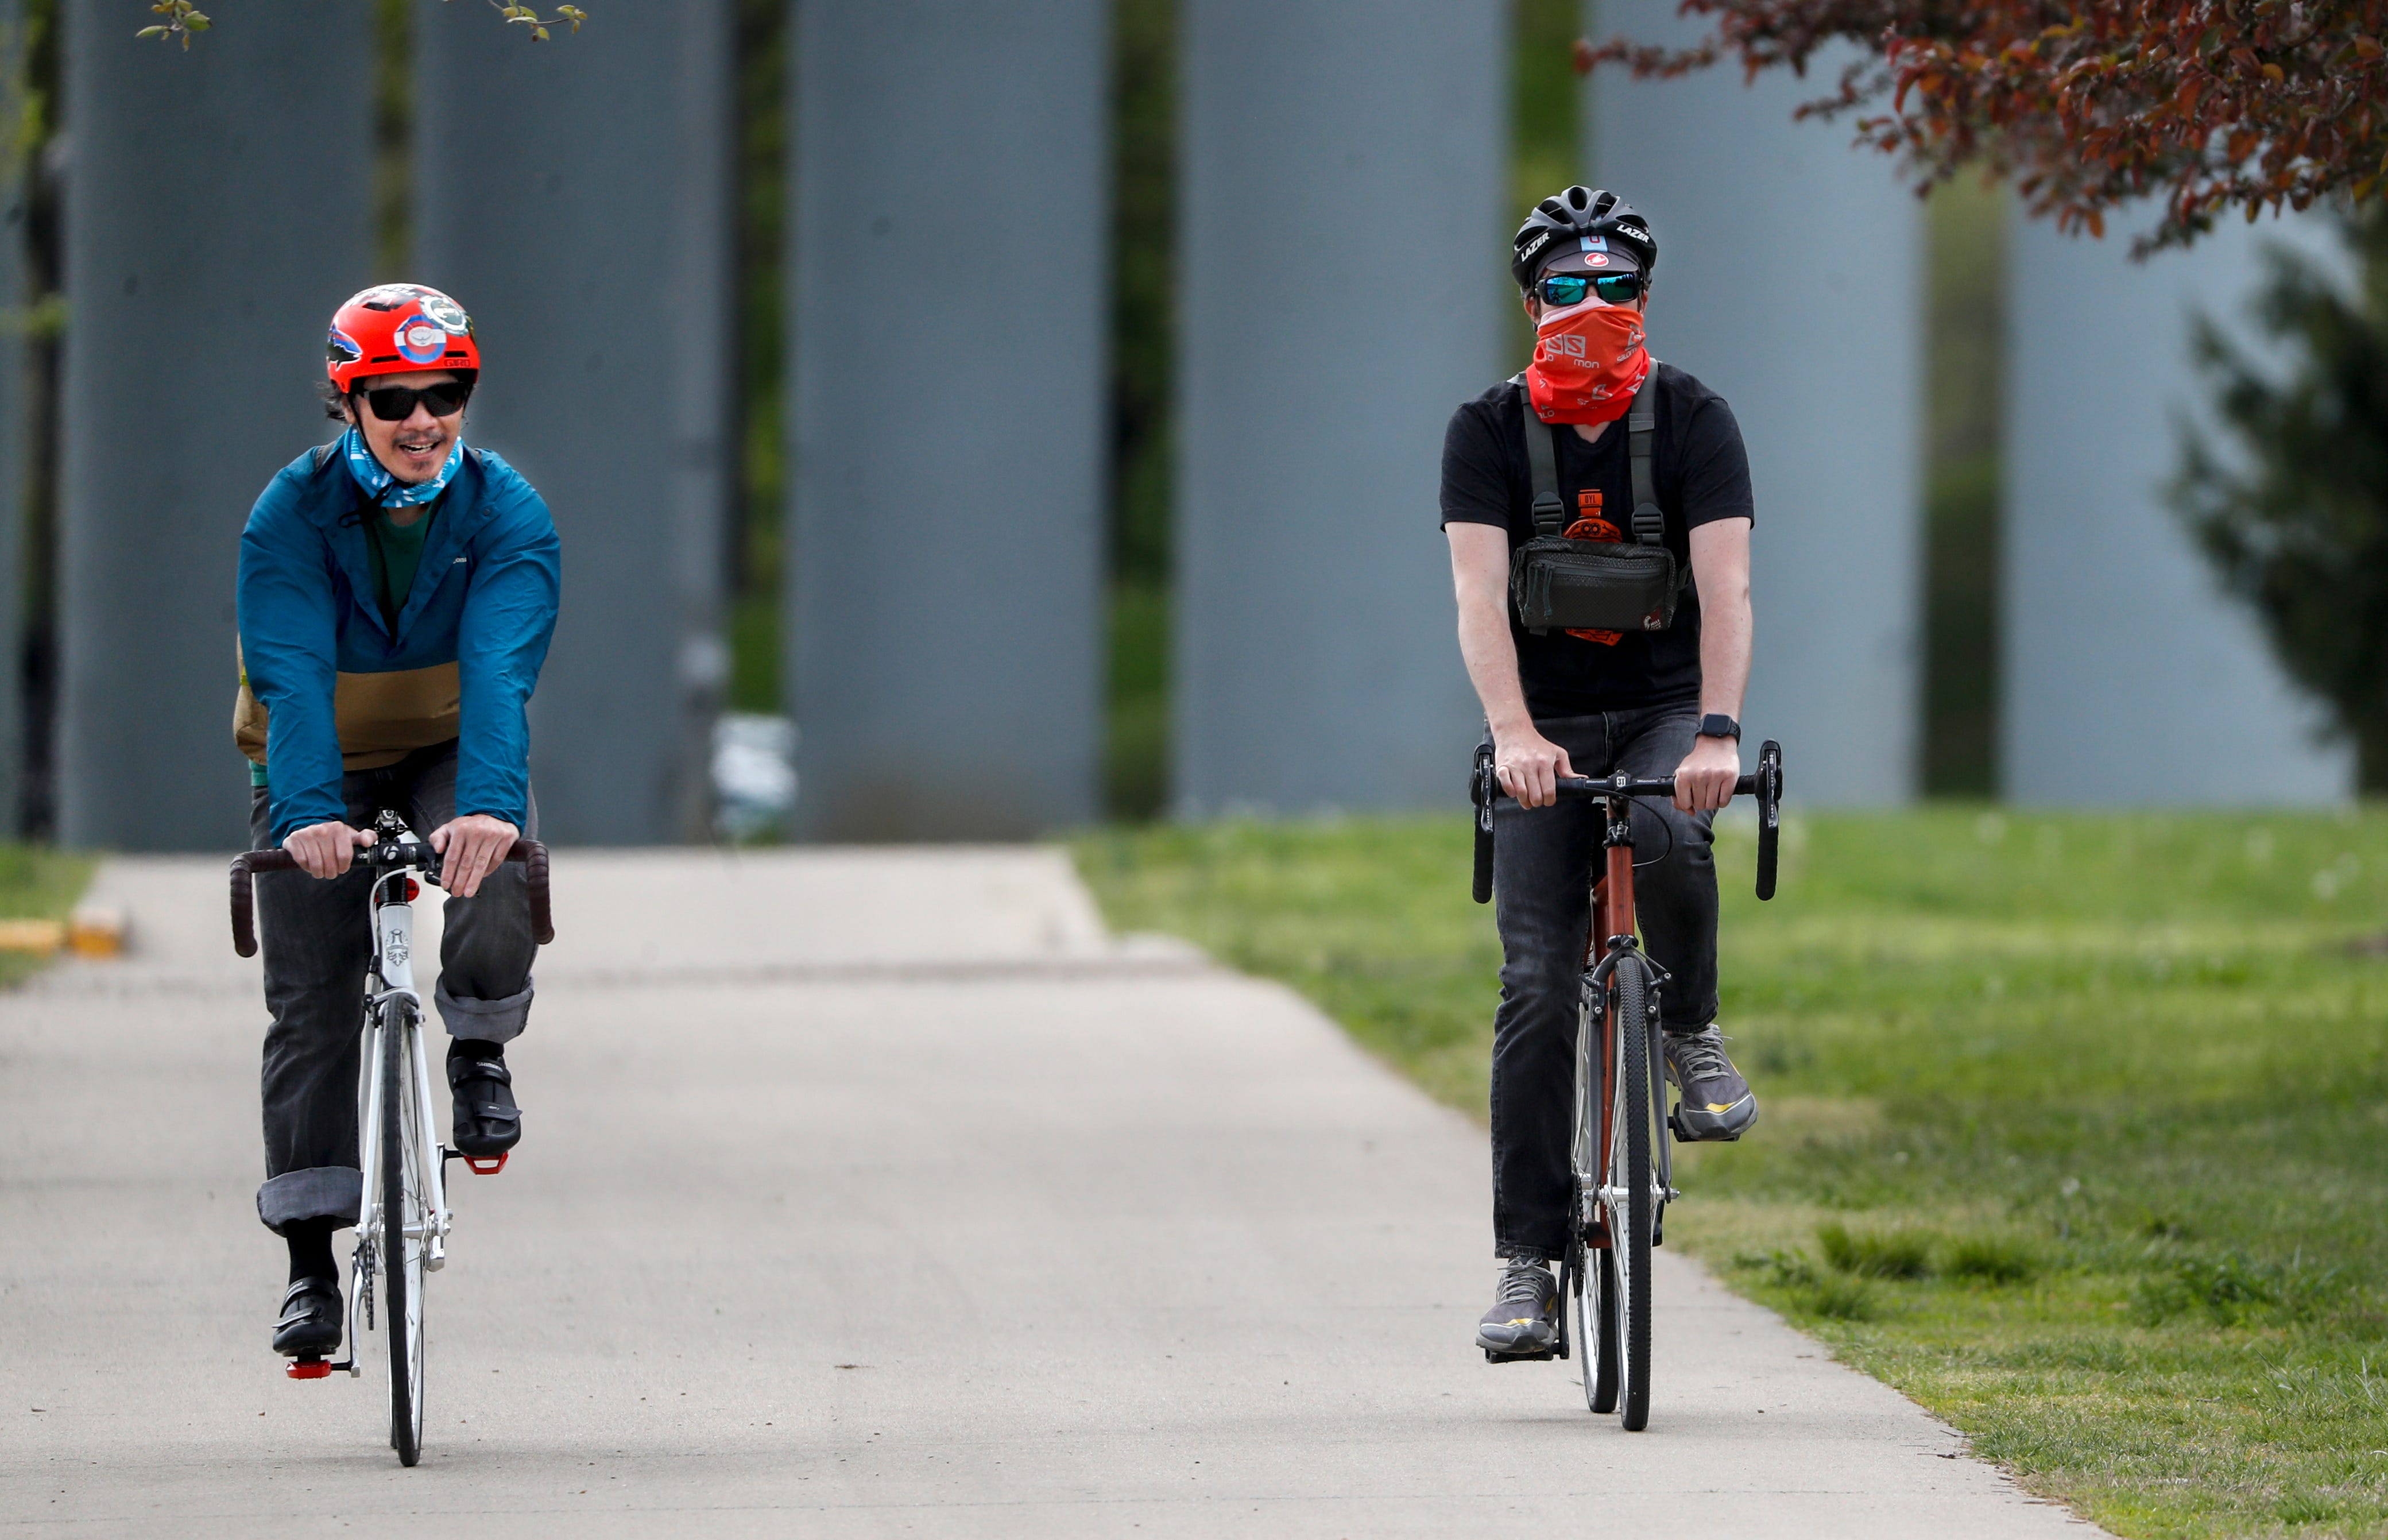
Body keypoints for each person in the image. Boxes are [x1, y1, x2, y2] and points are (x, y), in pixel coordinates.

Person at [1439, 188, 1760, 1358]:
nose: (1590, 306)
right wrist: (1514, 736)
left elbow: (1724, 587)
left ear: (1642, 296)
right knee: (1532, 987)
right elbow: (1477, 598)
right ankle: (1525, 1266)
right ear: (1531, 304)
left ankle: (1690, 1031)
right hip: (1546, 725)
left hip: (1665, 705)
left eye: (1612, 286)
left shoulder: (1694, 417)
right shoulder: (1482, 430)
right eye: (1565, 288)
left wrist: (1717, 732)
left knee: (1674, 834)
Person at [237, 284, 560, 1360]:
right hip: (319, 757)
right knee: (312, 1005)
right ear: (350, 400)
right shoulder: (289, 514)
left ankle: (478, 1050)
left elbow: (501, 669)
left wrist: (488, 809)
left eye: (448, 392)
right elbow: (289, 675)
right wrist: (309, 818)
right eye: (397, 397)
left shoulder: (508, 511)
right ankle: (309, 1267)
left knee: (497, 853)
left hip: (446, 746)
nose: (426, 418)